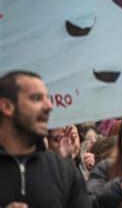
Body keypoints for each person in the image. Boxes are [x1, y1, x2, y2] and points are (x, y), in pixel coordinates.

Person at [0, 70, 92, 207]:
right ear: (7, 106)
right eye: (36, 98)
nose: (49, 106)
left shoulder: (63, 170)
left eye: (47, 98)